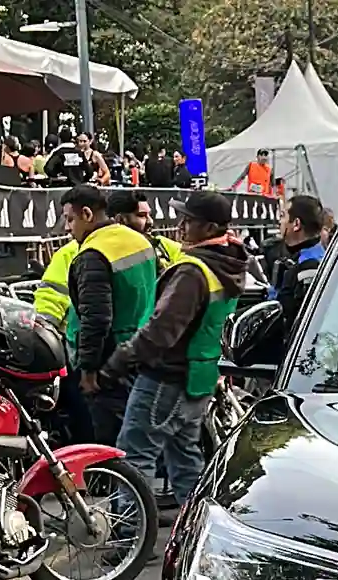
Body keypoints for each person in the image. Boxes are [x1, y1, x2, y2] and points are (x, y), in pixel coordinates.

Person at [103, 192, 248, 510]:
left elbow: (161, 331)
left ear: (209, 228)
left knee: (135, 456)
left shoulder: (193, 271)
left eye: (188, 220)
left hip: (166, 378)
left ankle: (130, 531)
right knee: (185, 458)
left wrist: (119, 361)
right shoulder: (228, 264)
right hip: (199, 376)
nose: (180, 226)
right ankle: (195, 524)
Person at [61, 186, 160, 446]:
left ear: (86, 214)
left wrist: (88, 369)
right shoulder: (141, 242)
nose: (67, 228)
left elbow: (96, 318)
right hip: (142, 350)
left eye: (70, 219)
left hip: (109, 363)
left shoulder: (93, 255)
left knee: (109, 443)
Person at [266, 194, 328, 322]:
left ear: (296, 224)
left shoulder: (309, 267)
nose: (279, 221)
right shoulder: (311, 257)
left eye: (283, 216)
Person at [115, 190, 185, 266]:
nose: (150, 221)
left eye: (150, 215)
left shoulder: (161, 243)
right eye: (142, 215)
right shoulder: (112, 254)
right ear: (120, 219)